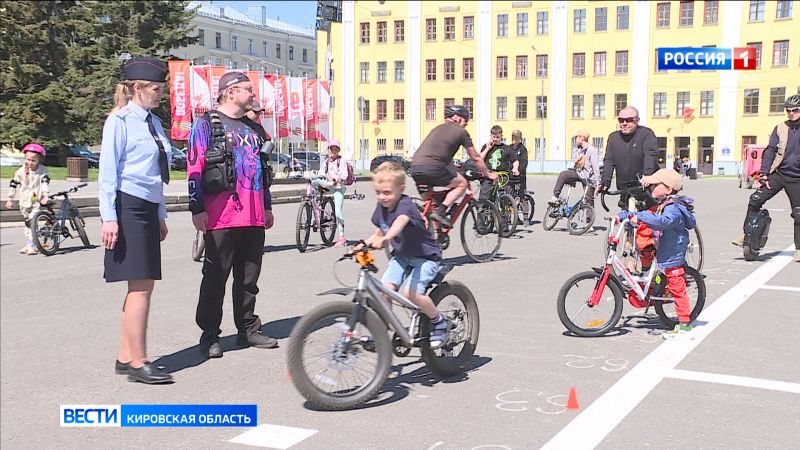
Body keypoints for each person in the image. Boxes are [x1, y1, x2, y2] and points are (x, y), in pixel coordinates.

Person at [188, 71, 277, 359]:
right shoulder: (205, 125)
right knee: (215, 278)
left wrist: (267, 206)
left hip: (253, 216)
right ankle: (210, 335)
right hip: (221, 216)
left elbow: (263, 172)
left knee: (249, 278)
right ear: (231, 92)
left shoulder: (254, 129)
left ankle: (248, 329)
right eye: (248, 90)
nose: (253, 95)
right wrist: (197, 207)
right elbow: (194, 167)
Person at [98, 56, 173, 384]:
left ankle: (125, 355)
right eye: (156, 89)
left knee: (140, 286)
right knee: (141, 286)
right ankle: (139, 362)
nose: (160, 94)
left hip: (146, 208)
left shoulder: (154, 123)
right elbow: (107, 173)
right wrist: (109, 218)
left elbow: (156, 174)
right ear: (137, 88)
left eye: (161, 89)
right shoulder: (120, 120)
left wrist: (160, 213)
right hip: (126, 207)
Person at [362, 162, 449, 348]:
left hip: (425, 258)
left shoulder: (405, 205)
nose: (382, 197)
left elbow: (398, 224)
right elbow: (379, 231)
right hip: (401, 256)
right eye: (378, 192)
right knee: (384, 290)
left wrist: (386, 238)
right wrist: (361, 245)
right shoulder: (382, 207)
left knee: (411, 293)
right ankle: (382, 330)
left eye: (387, 192)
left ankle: (439, 321)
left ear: (400, 189)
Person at [622, 169, 697, 340]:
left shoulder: (673, 208)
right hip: (664, 250)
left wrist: (640, 219)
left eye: (656, 185)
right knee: (660, 279)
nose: (652, 188)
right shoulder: (663, 204)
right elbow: (647, 216)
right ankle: (656, 296)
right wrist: (623, 216)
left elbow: (663, 222)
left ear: (668, 189)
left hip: (672, 253)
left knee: (677, 287)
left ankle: (685, 325)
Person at [732, 94, 800, 262]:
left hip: (797, 179)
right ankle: (747, 235)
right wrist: (764, 174)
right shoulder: (780, 128)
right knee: (755, 199)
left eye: (795, 110)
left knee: (799, 214)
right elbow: (770, 151)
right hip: (779, 174)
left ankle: (799, 248)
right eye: (788, 111)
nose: (791, 113)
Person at [410, 104, 497, 226]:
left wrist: (457, 170)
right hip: (433, 168)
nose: (465, 125)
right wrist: (488, 174)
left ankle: (438, 235)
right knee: (462, 184)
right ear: (458, 118)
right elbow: (476, 158)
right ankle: (441, 211)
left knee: (431, 207)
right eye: (465, 122)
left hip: (415, 169)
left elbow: (443, 157)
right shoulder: (461, 132)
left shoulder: (437, 129)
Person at [599, 106, 659, 208]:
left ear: (637, 120)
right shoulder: (613, 138)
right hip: (624, 187)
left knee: (647, 219)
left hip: (644, 186)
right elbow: (609, 161)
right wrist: (605, 181)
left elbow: (650, 155)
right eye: (621, 120)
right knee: (625, 217)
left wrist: (647, 175)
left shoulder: (646, 134)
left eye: (629, 120)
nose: (624, 123)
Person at [5, 143, 50, 255]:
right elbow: (13, 184)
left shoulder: (43, 171)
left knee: (32, 221)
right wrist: (10, 199)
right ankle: (29, 243)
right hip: (24, 201)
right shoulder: (20, 171)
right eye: (27, 159)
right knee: (27, 223)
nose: (30, 162)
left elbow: (44, 183)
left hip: (36, 202)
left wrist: (45, 195)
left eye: (33, 160)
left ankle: (31, 245)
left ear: (39, 160)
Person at [548, 130, 600, 207]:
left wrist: (598, 182)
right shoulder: (579, 149)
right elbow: (578, 165)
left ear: (582, 138)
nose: (575, 140)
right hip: (579, 173)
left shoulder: (591, 150)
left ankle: (589, 219)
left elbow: (595, 167)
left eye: (577, 138)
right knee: (563, 174)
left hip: (588, 178)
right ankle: (555, 196)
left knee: (589, 202)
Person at [313, 139, 348, 247]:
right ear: (328, 149)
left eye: (335, 149)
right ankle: (316, 207)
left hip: (338, 188)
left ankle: (342, 237)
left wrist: (336, 180)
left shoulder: (341, 161)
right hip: (328, 185)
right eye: (331, 148)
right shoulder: (327, 161)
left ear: (338, 150)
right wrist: (326, 178)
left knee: (338, 212)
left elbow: (344, 175)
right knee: (314, 182)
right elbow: (320, 173)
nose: (333, 151)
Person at [478, 125, 519, 201]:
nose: (495, 139)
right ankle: (482, 209)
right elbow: (479, 159)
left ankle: (505, 208)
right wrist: (487, 148)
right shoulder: (486, 146)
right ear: (491, 136)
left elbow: (515, 160)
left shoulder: (506, 148)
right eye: (494, 137)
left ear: (501, 136)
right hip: (489, 174)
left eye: (498, 137)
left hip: (502, 175)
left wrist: (515, 168)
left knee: (505, 193)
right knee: (485, 193)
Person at [510, 129, 528, 195]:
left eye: (516, 137)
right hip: (510, 175)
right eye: (513, 137)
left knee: (521, 195)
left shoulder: (522, 149)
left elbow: (524, 162)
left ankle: (524, 203)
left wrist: (518, 171)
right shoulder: (509, 148)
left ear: (520, 139)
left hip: (519, 176)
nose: (514, 139)